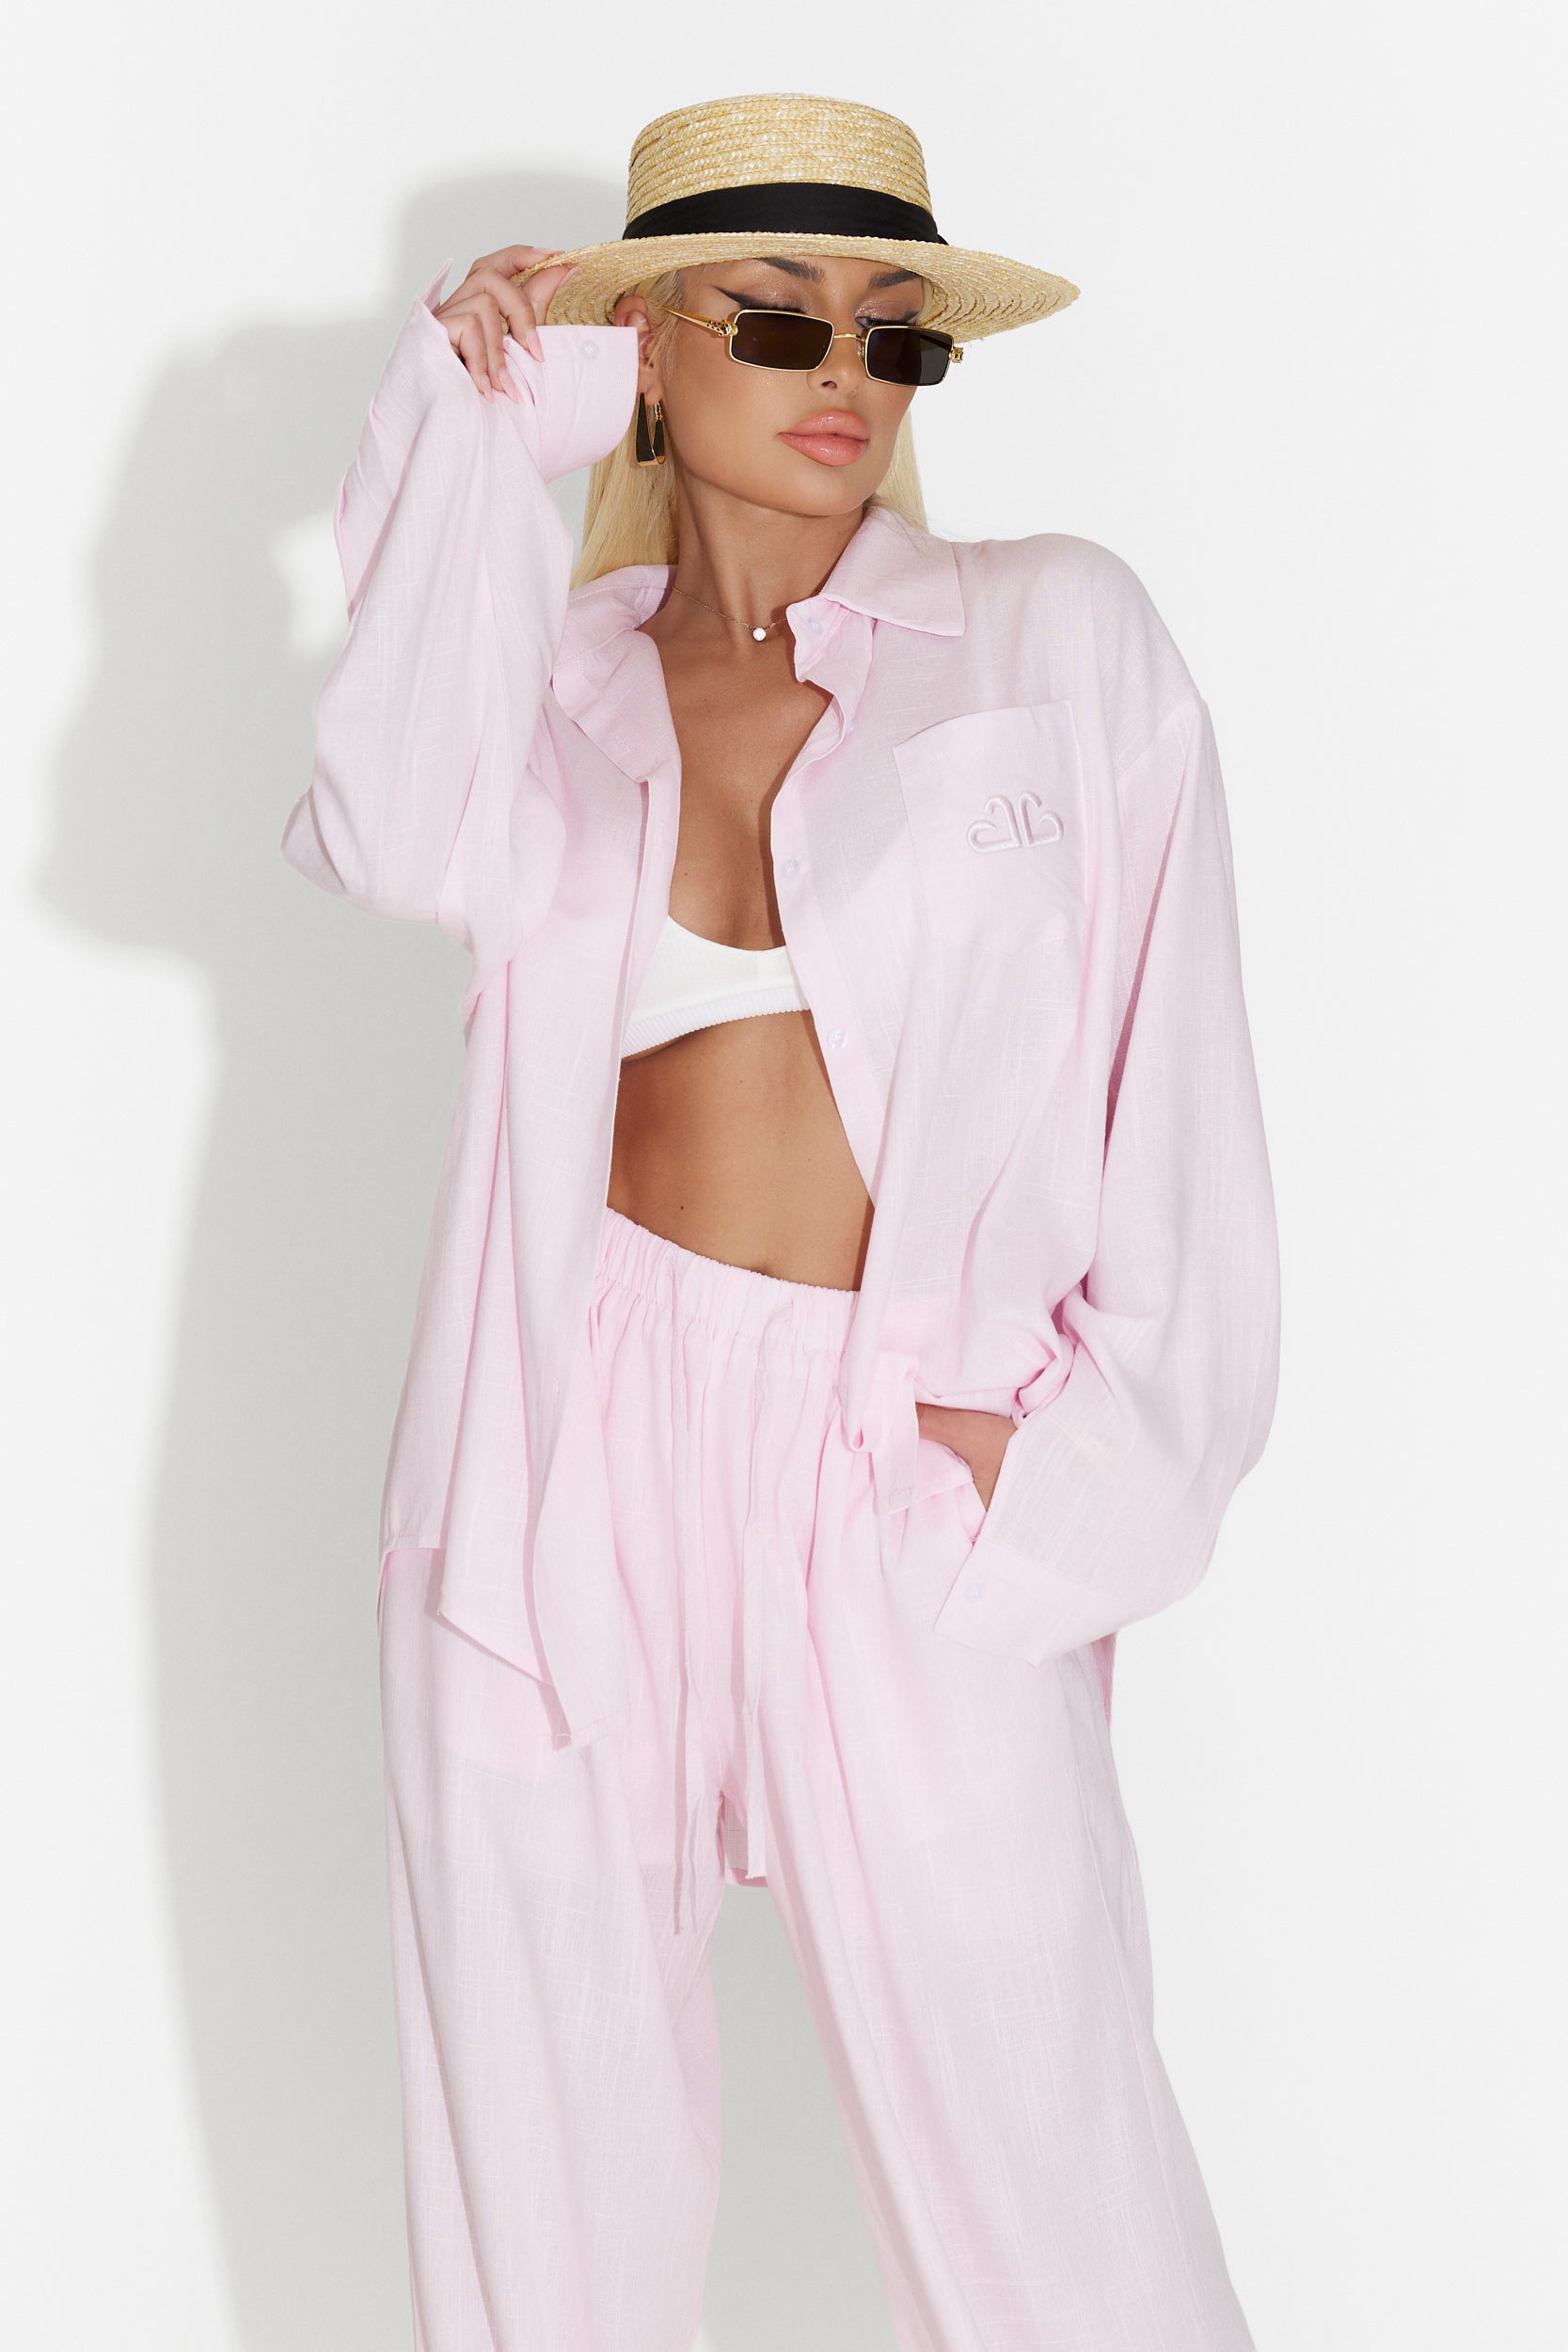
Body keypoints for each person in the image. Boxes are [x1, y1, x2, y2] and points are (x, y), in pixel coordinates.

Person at [282, 87, 1280, 2352]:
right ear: (647, 344)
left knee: (1064, 2201)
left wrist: (1076, 1475)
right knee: (543, 2227)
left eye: (892, 330)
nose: (847, 372)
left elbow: (1187, 1111)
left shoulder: (1060, 640)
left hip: (903, 1454)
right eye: (772, 315)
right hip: (558, 1471)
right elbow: (390, 827)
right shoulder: (552, 681)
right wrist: (481, 410)